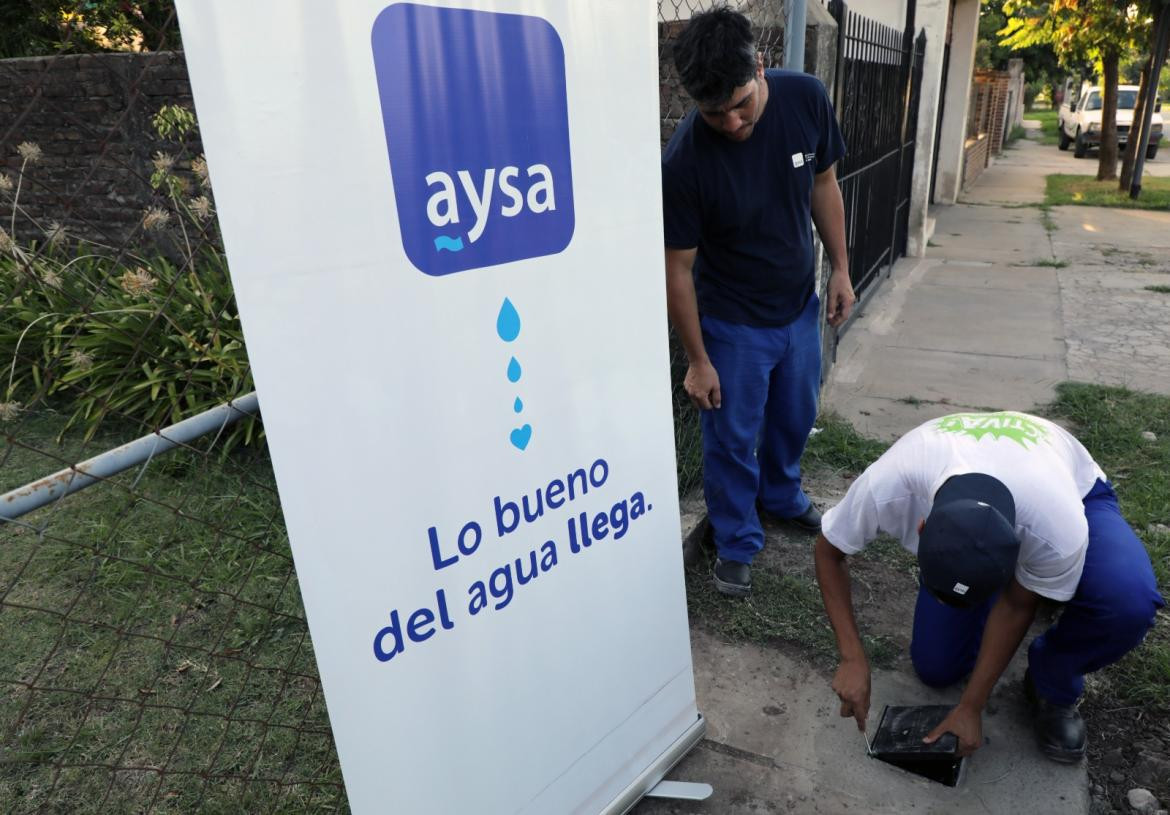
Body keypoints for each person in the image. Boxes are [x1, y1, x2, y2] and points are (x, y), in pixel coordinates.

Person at [815, 410, 1164, 763]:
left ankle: (1052, 682)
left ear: (1015, 551)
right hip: (985, 474)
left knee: (1126, 603)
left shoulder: (1057, 530)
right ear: (923, 527)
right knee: (937, 669)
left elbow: (1017, 605)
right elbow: (829, 551)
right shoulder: (890, 483)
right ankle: (991, 581)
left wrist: (972, 706)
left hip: (1076, 488)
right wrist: (852, 656)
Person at [662, 7, 854, 598]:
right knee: (730, 436)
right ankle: (737, 539)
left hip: (798, 304)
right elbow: (677, 266)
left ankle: (782, 496)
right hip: (731, 320)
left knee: (796, 415)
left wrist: (842, 269)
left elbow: (824, 183)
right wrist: (699, 359)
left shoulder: (806, 99)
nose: (731, 121)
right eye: (713, 111)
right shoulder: (685, 160)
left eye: (741, 102)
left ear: (762, 67)